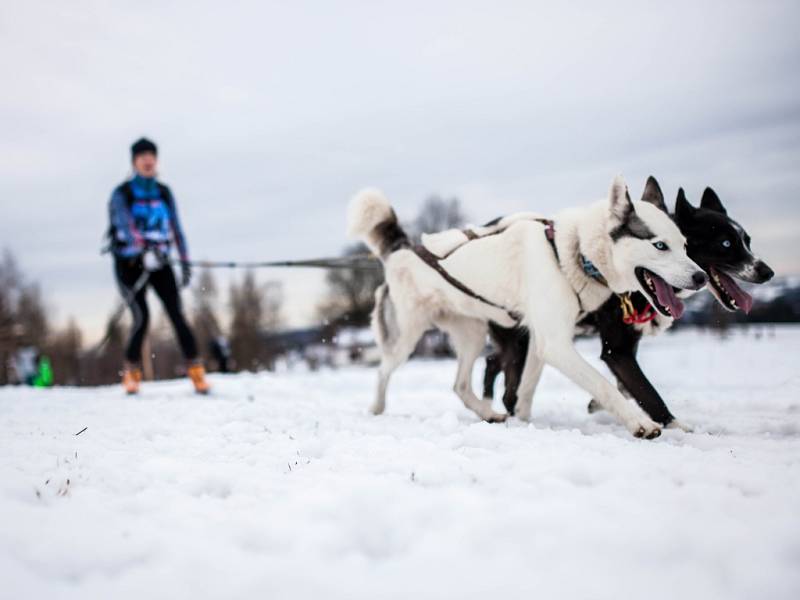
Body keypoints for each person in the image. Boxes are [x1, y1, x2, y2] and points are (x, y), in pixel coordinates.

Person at [108, 137, 210, 394]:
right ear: (134, 162)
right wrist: (142, 250)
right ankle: (131, 372)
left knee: (177, 313)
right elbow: (125, 228)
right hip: (130, 264)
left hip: (161, 262)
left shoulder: (164, 193)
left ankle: (197, 371)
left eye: (151, 155)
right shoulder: (123, 194)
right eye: (142, 156)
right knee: (141, 316)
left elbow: (176, 229)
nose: (148, 160)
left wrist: (184, 262)